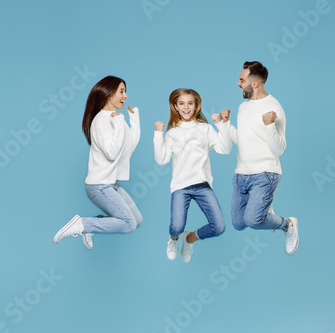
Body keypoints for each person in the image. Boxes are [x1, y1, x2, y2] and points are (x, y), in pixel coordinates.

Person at [53, 75, 143, 249]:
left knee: (137, 220)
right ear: (109, 94)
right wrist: (118, 122)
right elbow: (111, 153)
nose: (125, 96)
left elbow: (129, 147)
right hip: (99, 186)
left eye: (125, 92)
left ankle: (91, 226)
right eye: (121, 92)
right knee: (128, 224)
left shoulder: (117, 119)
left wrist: (134, 119)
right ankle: (83, 224)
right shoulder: (101, 121)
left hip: (112, 184)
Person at [221, 61, 299, 255]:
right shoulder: (243, 107)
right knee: (239, 224)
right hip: (241, 175)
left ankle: (287, 224)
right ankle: (265, 206)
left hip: (265, 175)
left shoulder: (274, 108)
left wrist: (269, 125)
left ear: (254, 84)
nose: (238, 84)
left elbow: (278, 149)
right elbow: (243, 140)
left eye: (241, 80)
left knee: (253, 220)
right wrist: (225, 124)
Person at [154, 88, 231, 263]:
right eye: (181, 103)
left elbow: (225, 150)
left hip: (203, 186)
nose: (186, 107)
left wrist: (221, 124)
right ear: (175, 106)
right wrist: (158, 133)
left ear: (196, 106)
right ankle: (173, 239)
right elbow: (161, 159)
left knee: (219, 227)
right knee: (176, 226)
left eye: (190, 103)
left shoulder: (205, 128)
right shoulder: (173, 132)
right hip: (181, 187)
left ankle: (189, 239)